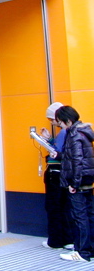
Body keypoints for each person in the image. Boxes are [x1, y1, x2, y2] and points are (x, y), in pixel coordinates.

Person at [56, 106, 94, 262]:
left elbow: (76, 161)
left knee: (80, 217)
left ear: (68, 121)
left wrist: (74, 183)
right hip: (88, 179)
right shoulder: (85, 132)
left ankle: (82, 252)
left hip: (78, 181)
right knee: (89, 215)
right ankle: (90, 249)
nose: (60, 126)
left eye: (60, 123)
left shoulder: (74, 134)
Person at [40, 102, 73, 250]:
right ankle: (67, 239)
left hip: (55, 173)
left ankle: (55, 241)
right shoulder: (73, 132)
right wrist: (50, 140)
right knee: (65, 207)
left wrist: (46, 142)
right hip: (66, 174)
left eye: (52, 119)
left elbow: (57, 152)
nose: (52, 123)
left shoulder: (64, 132)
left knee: (53, 206)